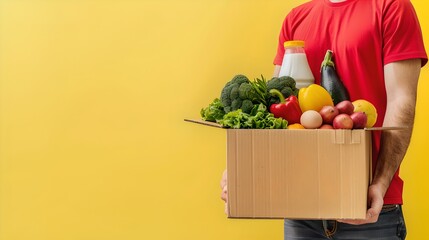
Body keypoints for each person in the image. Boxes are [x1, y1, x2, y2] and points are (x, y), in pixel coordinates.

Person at [220, 0, 427, 239]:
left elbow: (402, 101)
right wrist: (241, 166)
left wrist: (380, 183)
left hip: (368, 207)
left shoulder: (390, 7)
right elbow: (271, 109)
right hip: (302, 208)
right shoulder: (296, 18)